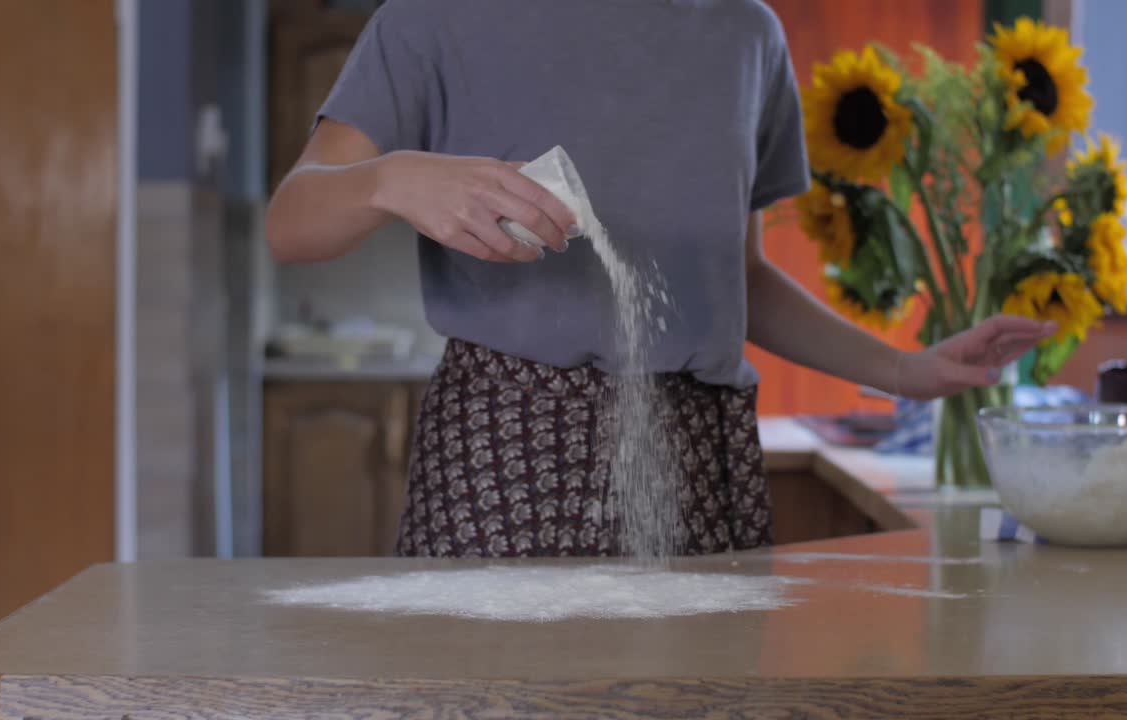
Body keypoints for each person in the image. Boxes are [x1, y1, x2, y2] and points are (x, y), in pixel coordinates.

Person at [266, 0, 1053, 558]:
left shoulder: (747, 35)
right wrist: (393, 178)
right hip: (502, 445)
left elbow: (736, 278)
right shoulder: (432, 19)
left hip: (699, 454)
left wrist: (907, 371)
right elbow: (290, 223)